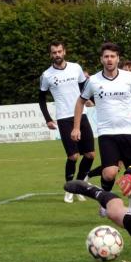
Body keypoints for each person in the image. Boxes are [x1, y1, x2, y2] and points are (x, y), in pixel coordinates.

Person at [71, 42, 131, 214]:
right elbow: (80, 101)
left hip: (130, 132)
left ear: (118, 59)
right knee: (109, 173)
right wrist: (76, 127)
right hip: (107, 134)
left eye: (112, 56)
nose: (109, 59)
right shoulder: (93, 81)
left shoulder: (129, 78)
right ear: (101, 59)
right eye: (106, 56)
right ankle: (105, 202)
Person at [39, 41, 96, 203]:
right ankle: (69, 188)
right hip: (64, 118)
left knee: (90, 154)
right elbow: (41, 98)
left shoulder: (76, 68)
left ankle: (79, 185)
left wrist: (90, 100)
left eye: (59, 51)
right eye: (54, 52)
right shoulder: (47, 75)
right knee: (73, 156)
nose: (57, 55)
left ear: (64, 52)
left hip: (81, 114)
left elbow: (84, 87)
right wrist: (48, 119)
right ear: (51, 55)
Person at [86, 59, 131, 180]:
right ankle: (88, 175)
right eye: (126, 69)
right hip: (118, 132)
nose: (129, 71)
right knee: (115, 167)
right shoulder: (118, 86)